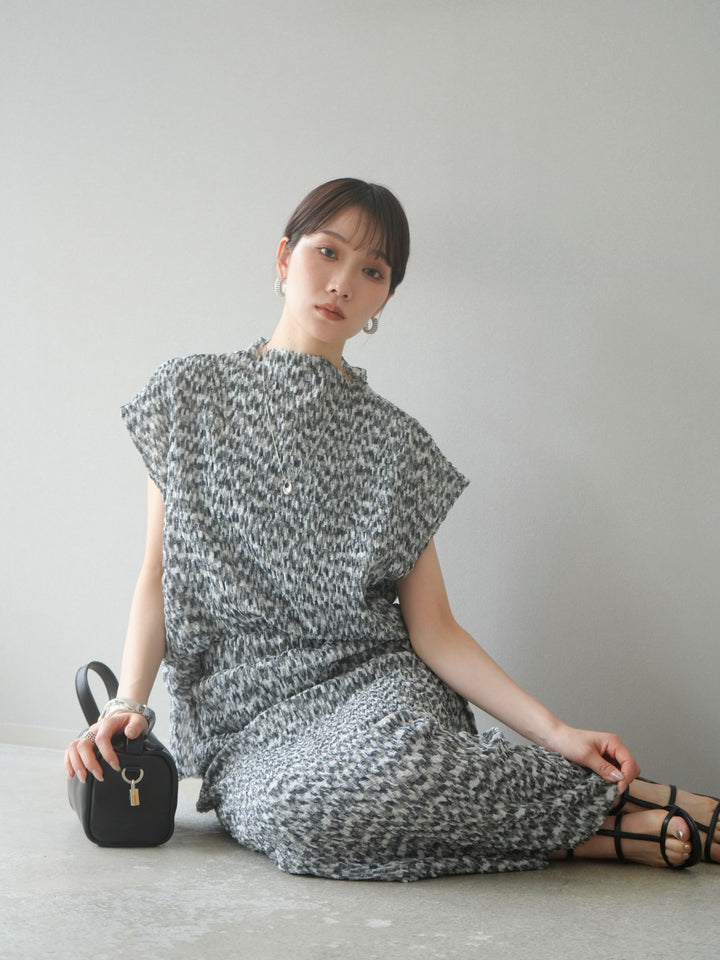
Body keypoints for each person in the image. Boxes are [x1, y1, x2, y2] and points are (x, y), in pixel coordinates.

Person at [65, 178, 719, 880]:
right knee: (295, 813)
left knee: (402, 760)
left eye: (371, 271)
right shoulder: (187, 396)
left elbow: (435, 630)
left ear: (384, 299)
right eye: (327, 252)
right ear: (284, 257)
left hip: (378, 689)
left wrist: (558, 732)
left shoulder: (396, 445)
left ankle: (610, 817)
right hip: (248, 727)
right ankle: (610, 823)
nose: (342, 283)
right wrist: (128, 701)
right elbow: (157, 575)